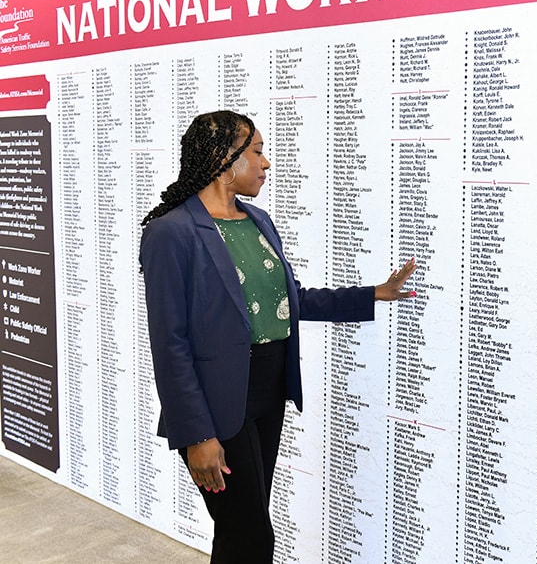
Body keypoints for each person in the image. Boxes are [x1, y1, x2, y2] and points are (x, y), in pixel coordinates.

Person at [139, 110, 416, 563]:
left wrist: (374, 294)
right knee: (250, 534)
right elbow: (169, 345)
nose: (266, 164)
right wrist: (196, 435)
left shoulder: (258, 221)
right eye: (258, 151)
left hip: (268, 393)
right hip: (215, 406)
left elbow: (291, 299)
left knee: (241, 528)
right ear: (225, 161)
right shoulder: (171, 233)